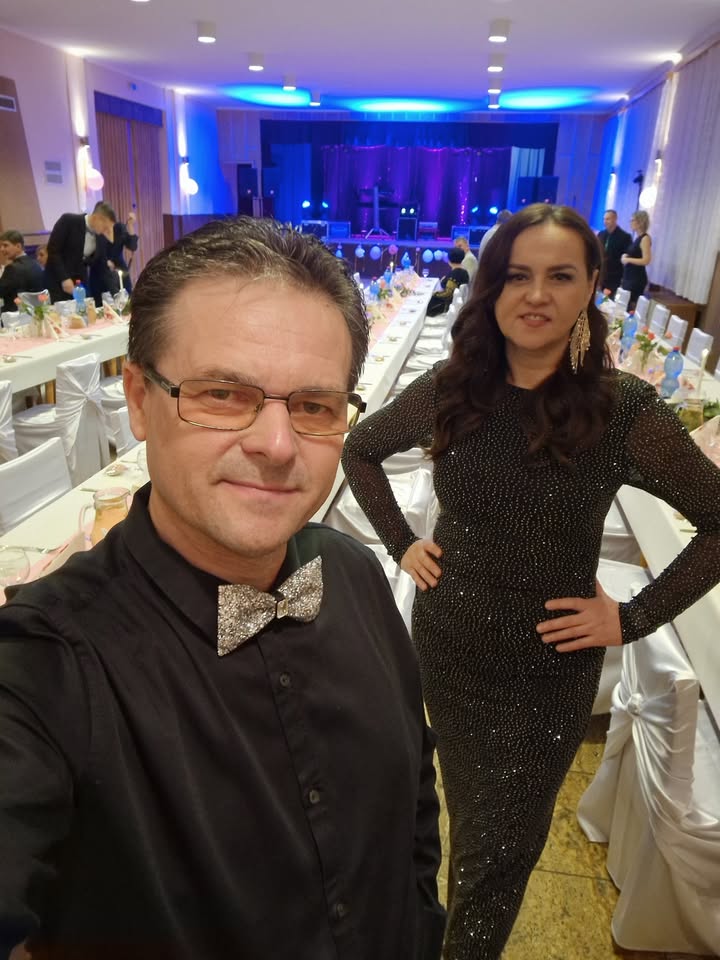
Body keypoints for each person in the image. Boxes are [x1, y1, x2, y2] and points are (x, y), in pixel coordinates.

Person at [0, 217, 446, 960]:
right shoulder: (45, 665)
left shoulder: (358, 574)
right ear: (138, 400)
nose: (275, 445)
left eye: (314, 406)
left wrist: (422, 925)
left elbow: (415, 800)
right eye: (222, 393)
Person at [341, 203, 720, 959]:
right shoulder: (455, 387)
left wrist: (632, 617)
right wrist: (402, 544)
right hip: (450, 648)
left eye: (560, 276)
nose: (536, 294)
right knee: (470, 822)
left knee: (499, 856)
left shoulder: (621, 409)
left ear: (591, 287)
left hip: (549, 667)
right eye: (517, 276)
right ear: (492, 287)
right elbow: (360, 450)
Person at [44, 200, 116, 303]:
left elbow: (103, 267)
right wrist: (64, 278)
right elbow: (53, 250)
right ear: (96, 218)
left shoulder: (100, 238)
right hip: (57, 282)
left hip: (79, 284)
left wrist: (116, 294)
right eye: (105, 227)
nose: (105, 231)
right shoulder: (68, 220)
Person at [88, 210, 139, 303]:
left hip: (119, 269)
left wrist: (131, 225)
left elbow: (132, 246)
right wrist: (105, 261)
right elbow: (89, 255)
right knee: (100, 304)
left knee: (126, 300)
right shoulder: (94, 232)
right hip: (99, 270)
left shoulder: (119, 228)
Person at [0, 230, 45, 310]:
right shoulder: (36, 265)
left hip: (15, 314)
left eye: (5, 245)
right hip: (38, 312)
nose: (1, 249)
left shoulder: (12, 268)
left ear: (18, 246)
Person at [621, 209, 652, 308]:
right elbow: (636, 254)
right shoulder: (637, 238)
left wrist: (628, 260)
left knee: (629, 306)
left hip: (636, 279)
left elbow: (646, 260)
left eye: (632, 220)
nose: (630, 222)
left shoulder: (645, 238)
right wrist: (626, 256)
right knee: (624, 304)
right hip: (629, 276)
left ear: (640, 222)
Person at [597, 209, 631, 297]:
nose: (605, 221)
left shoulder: (625, 237)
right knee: (597, 299)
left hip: (614, 276)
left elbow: (626, 258)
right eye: (604, 219)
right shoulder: (601, 234)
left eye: (608, 219)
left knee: (608, 300)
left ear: (615, 219)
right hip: (600, 274)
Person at [426, 248, 469, 317]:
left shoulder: (455, 274)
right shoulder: (464, 272)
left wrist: (433, 294)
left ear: (449, 260)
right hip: (454, 305)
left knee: (425, 303)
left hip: (446, 306)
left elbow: (448, 293)